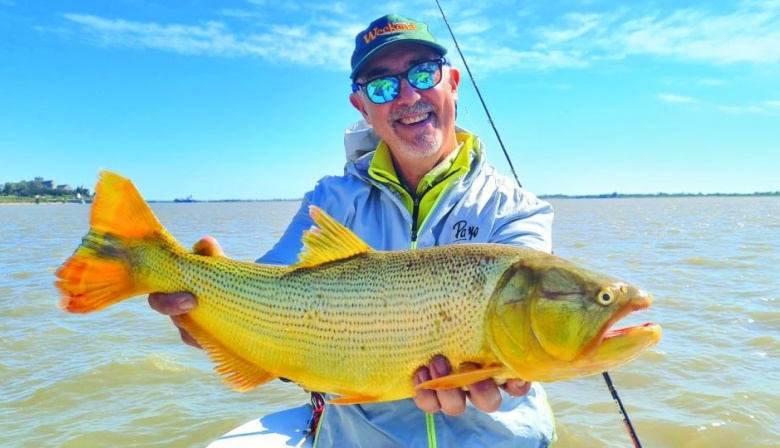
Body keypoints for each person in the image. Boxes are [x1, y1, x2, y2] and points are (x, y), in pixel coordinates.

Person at [149, 13, 556, 448]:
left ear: (451, 82)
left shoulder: (518, 211)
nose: (407, 95)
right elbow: (270, 300)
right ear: (362, 107)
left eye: (423, 72)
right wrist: (209, 318)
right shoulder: (330, 201)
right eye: (382, 86)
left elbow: (526, 323)